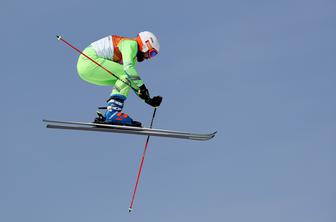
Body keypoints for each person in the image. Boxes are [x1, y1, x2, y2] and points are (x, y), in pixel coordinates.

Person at [76, 31, 162, 127]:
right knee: (126, 75)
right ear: (146, 44)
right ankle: (113, 113)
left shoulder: (132, 57)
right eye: (152, 53)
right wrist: (142, 87)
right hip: (89, 61)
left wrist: (148, 99)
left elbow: (131, 80)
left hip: (86, 69)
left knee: (125, 79)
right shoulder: (130, 44)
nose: (149, 58)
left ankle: (112, 112)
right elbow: (128, 69)